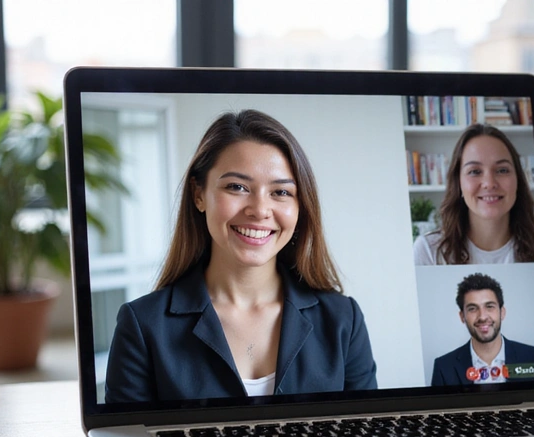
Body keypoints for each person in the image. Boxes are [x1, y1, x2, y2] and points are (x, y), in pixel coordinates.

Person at [105, 109, 377, 403]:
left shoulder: (343, 321)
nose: (260, 210)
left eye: (281, 192)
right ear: (199, 194)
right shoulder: (142, 325)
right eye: (237, 187)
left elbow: (367, 435)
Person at [413, 124, 534, 265]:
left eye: (502, 170)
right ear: (459, 183)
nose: (489, 183)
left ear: (518, 179)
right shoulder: (429, 252)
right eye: (475, 171)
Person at [431, 273, 534, 386]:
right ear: (462, 317)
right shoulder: (443, 367)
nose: (482, 317)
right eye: (472, 309)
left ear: (502, 313)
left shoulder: (533, 357)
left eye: (489, 306)